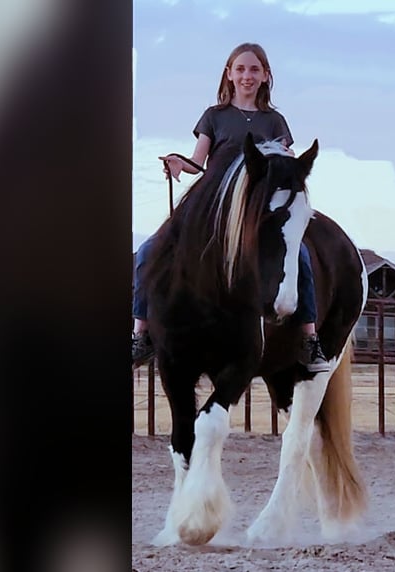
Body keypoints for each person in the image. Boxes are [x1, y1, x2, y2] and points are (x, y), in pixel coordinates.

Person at [132, 42, 328, 372]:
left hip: (255, 209)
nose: (246, 75)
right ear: (229, 74)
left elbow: (284, 162)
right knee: (149, 250)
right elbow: (199, 162)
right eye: (240, 69)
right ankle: (141, 332)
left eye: (254, 69)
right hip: (212, 203)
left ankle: (309, 337)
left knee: (302, 256)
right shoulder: (214, 116)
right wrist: (180, 164)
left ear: (266, 76)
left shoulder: (274, 121)